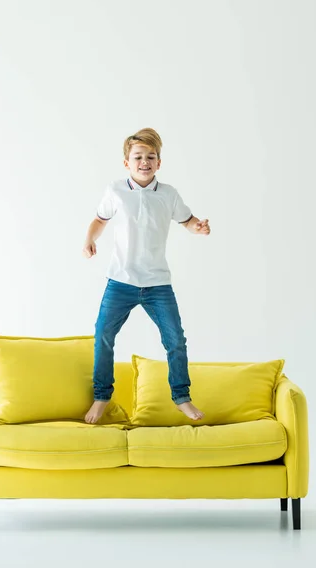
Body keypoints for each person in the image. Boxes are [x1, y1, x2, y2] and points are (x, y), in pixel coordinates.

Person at [83, 128, 211, 424]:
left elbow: (188, 220)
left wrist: (198, 227)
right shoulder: (116, 191)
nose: (144, 162)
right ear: (126, 162)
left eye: (150, 157)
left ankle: (182, 397)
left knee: (175, 339)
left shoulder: (168, 194)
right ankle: (101, 396)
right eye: (138, 157)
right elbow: (99, 220)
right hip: (121, 281)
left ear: (159, 162)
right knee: (103, 334)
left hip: (157, 284)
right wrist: (89, 240)